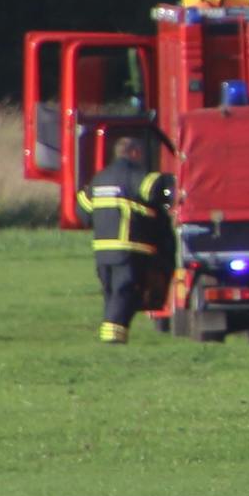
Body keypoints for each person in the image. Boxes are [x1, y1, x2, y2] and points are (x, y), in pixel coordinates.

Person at [85, 138, 175, 343]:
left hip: (102, 250)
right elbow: (154, 190)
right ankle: (112, 338)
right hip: (129, 248)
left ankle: (116, 336)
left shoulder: (99, 179)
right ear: (134, 153)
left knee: (111, 292)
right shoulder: (136, 176)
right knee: (124, 291)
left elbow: (81, 212)